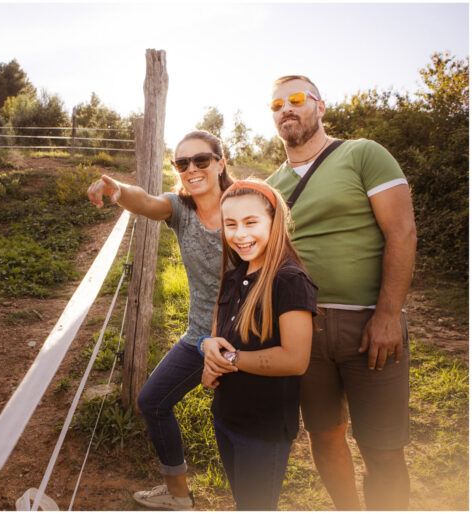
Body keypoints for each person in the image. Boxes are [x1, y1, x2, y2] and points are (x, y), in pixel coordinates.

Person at [265, 75, 417, 510]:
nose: (286, 109)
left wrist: (388, 315)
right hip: (302, 329)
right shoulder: (272, 184)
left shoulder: (363, 154)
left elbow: (402, 232)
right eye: (276, 105)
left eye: (296, 99)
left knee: (382, 447)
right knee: (324, 434)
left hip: (368, 324)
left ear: (320, 106)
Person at [87, 130, 233, 510]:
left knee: (234, 425)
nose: (191, 169)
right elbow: (147, 202)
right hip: (199, 336)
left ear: (221, 162)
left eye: (201, 160)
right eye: (181, 163)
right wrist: (117, 188)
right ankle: (178, 494)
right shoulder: (180, 209)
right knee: (152, 401)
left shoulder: (244, 205)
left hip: (244, 338)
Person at [199, 179, 317, 510]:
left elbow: (295, 359)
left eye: (251, 222)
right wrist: (209, 352)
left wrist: (230, 359)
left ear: (273, 221)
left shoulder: (289, 280)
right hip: (226, 416)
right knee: (243, 502)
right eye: (231, 224)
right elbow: (217, 333)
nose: (240, 234)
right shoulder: (233, 276)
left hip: (263, 430)